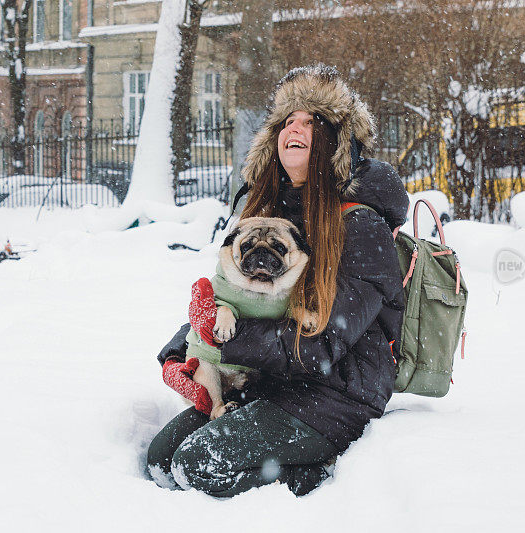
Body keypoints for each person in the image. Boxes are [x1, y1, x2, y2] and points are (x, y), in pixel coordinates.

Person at [147, 64, 409, 497]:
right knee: (161, 459)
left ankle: (319, 477)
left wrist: (220, 341)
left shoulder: (363, 227)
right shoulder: (273, 214)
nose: (296, 126)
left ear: (336, 143)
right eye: (288, 119)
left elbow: (323, 344)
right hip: (265, 378)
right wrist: (184, 351)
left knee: (198, 466)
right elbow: (235, 299)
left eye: (312, 121)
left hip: (335, 395)